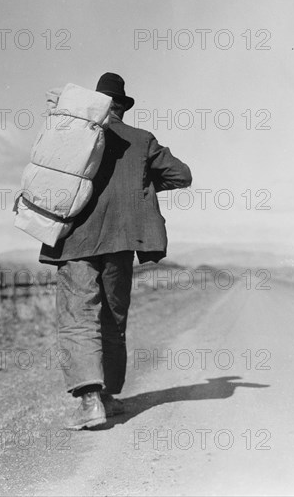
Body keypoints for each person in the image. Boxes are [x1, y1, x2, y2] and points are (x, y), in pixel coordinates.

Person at [39, 73, 192, 429]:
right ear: (122, 106)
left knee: (78, 316)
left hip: (73, 239)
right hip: (122, 242)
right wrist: (139, 186)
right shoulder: (141, 141)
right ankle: (107, 395)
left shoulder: (71, 134)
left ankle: (91, 402)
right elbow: (181, 175)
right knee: (112, 317)